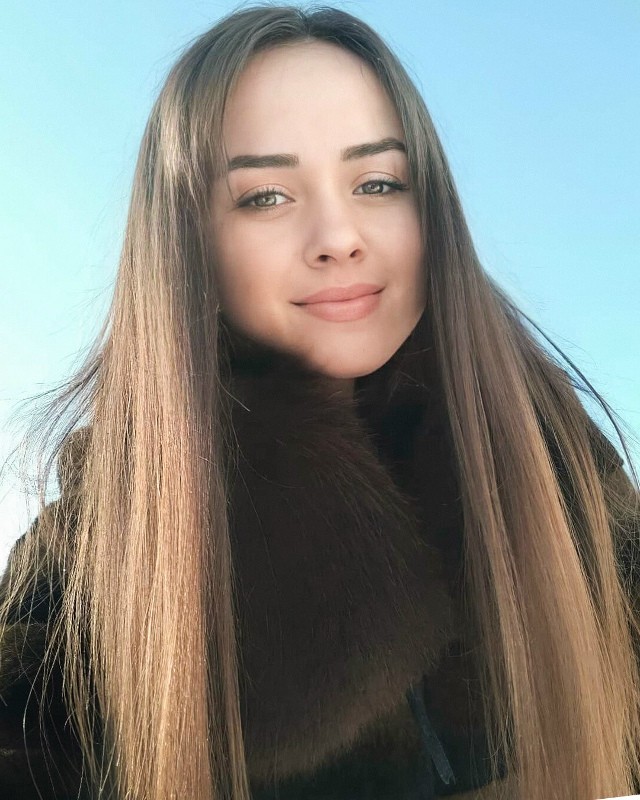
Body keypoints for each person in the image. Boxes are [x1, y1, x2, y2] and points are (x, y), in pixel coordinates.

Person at [0, 6, 638, 800]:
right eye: (266, 196)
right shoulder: (97, 546)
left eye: (378, 183)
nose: (339, 235)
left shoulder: (552, 460)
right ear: (190, 241)